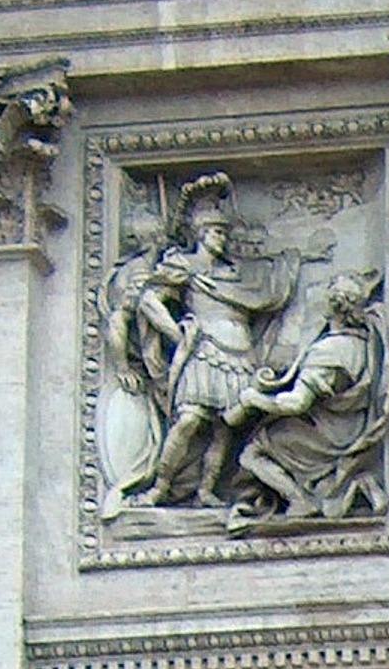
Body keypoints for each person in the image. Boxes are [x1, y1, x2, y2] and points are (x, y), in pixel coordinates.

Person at [107, 173, 305, 510]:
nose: (222, 238)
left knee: (224, 429)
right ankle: (160, 488)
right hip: (205, 351)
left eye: (225, 232)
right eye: (216, 231)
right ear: (200, 233)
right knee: (189, 420)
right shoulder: (184, 265)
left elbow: (266, 294)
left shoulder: (233, 272)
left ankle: (206, 490)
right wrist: (176, 332)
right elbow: (149, 301)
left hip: (241, 353)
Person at [222, 271, 389, 528]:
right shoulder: (363, 343)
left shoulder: (328, 352)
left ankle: (300, 500)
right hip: (351, 424)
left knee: (254, 451)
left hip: (330, 435)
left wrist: (253, 399)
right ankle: (353, 484)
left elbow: (297, 403)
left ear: (332, 306)